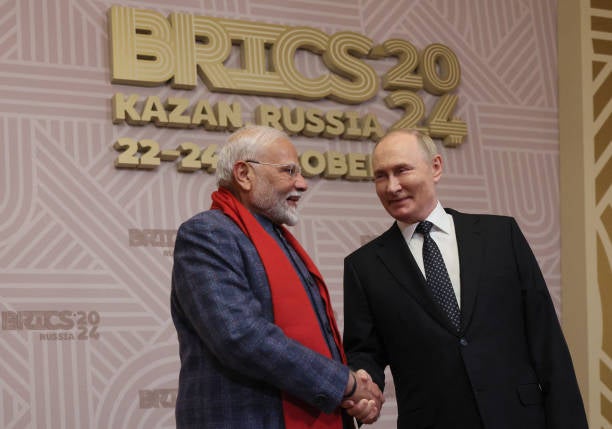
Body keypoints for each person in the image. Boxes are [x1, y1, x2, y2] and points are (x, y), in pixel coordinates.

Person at [342, 129, 589, 428]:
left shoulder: (501, 237)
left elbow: (546, 340)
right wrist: (364, 384)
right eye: (381, 176)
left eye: (402, 170)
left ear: (435, 167)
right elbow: (364, 351)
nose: (392, 186)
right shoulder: (364, 266)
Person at [171, 125, 383, 429]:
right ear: (244, 174)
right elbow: (240, 335)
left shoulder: (278, 238)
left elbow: (318, 340)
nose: (302, 183)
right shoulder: (208, 233)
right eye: (289, 171)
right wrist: (345, 385)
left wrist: (352, 389)